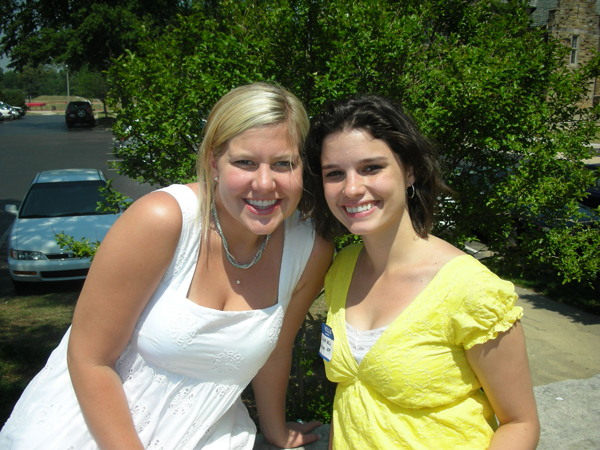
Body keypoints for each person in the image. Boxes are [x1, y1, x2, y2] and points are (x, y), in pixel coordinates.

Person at [0, 82, 333, 449]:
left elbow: (277, 351)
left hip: (204, 435)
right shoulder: (162, 220)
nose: (265, 184)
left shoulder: (309, 249)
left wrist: (274, 429)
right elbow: (89, 359)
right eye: (245, 162)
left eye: (284, 164)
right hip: (94, 432)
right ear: (214, 162)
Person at [303, 95, 540, 449]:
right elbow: (351, 397)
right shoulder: (342, 268)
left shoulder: (472, 290)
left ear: (410, 171)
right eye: (335, 173)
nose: (351, 188)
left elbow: (520, 423)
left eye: (371, 168)